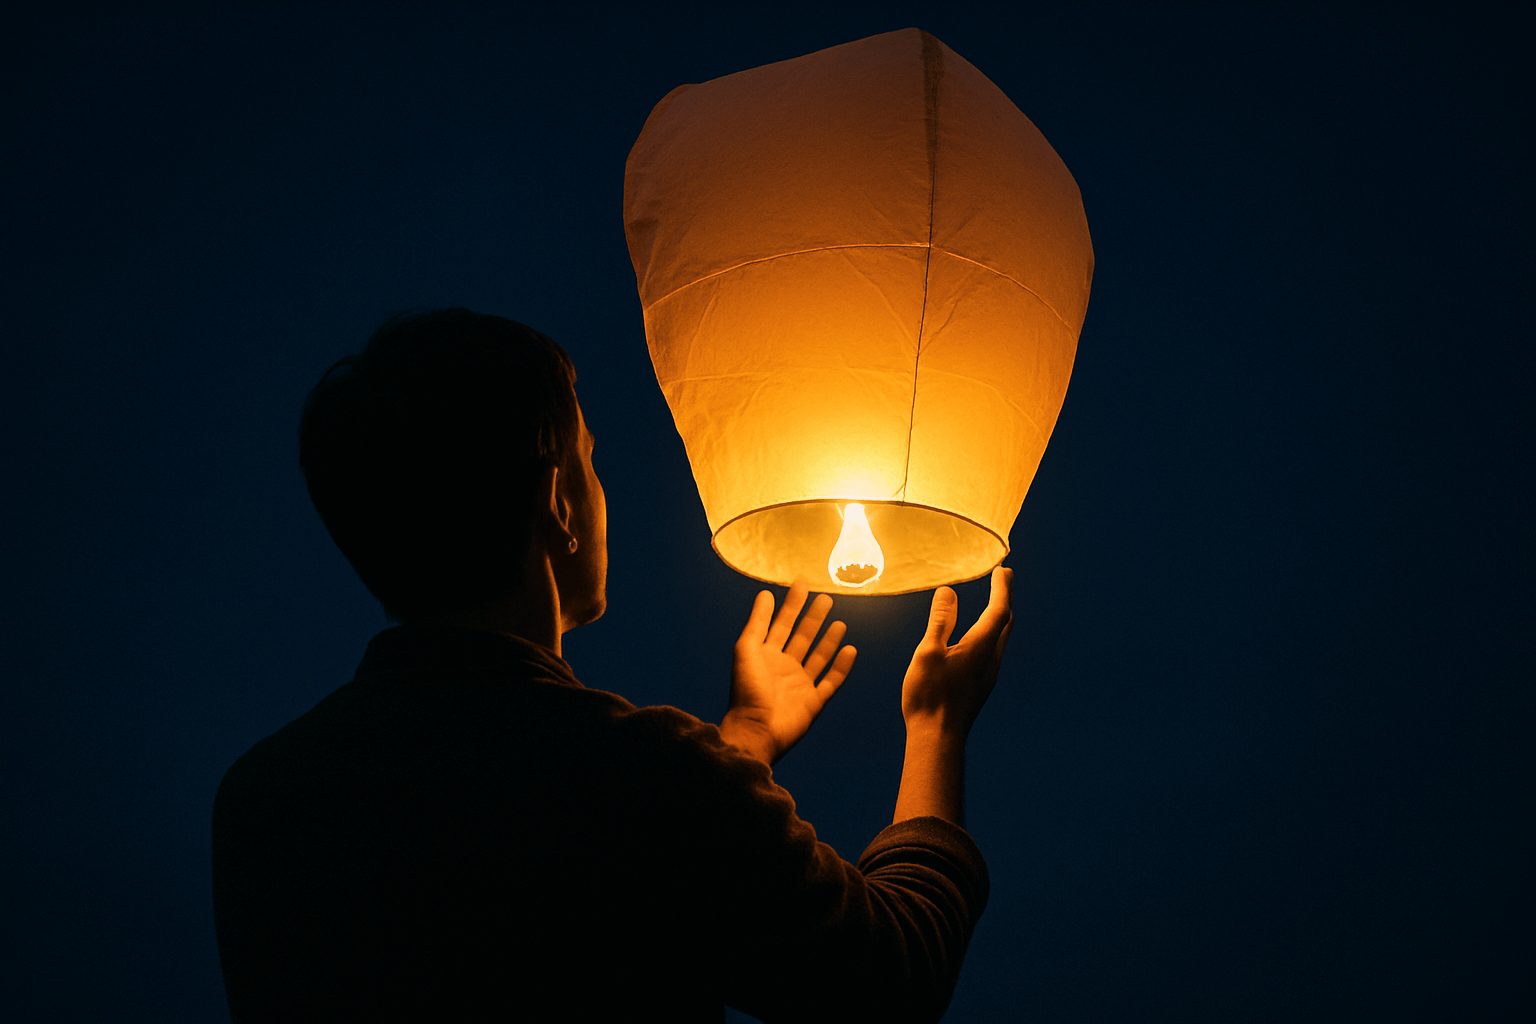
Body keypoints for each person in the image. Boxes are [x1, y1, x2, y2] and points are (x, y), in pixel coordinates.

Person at [212, 309, 1014, 1023]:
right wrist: (936, 729)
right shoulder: (644, 777)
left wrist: (742, 741)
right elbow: (889, 983)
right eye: (590, 461)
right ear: (559, 499)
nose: (601, 492)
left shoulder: (267, 796)